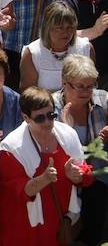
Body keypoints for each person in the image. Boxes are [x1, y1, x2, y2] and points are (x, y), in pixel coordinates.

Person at [0, 86, 94, 245]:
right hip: (27, 228)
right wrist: (44, 179)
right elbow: (14, 194)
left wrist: (78, 175)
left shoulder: (68, 135)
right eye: (40, 118)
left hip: (60, 221)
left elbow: (86, 176)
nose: (47, 122)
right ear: (26, 118)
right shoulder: (12, 148)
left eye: (51, 115)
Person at [51, 54, 108, 243]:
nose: (86, 91)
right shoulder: (50, 107)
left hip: (97, 180)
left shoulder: (103, 100)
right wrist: (66, 130)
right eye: (80, 86)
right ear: (64, 82)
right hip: (62, 178)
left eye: (91, 85)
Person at [21, 1, 95, 92]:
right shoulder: (32, 53)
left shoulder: (86, 49)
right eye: (59, 28)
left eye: (70, 27)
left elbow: (92, 86)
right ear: (47, 28)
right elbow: (28, 93)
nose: (65, 33)